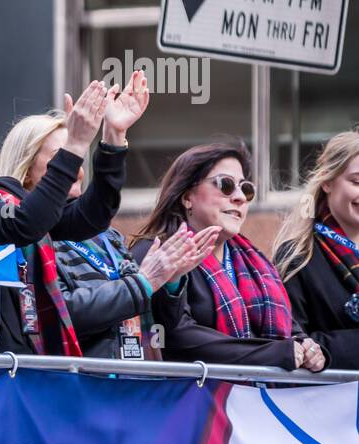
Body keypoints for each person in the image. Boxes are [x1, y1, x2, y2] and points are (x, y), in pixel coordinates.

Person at [0, 72, 148, 353]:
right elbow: (27, 223)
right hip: (3, 361)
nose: (75, 169)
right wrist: (75, 143)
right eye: (62, 159)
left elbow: (91, 217)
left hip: (47, 366)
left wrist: (113, 138)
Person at [0, 109, 218, 359]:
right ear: (25, 170)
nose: (75, 169)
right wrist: (143, 282)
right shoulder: (22, 237)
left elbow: (161, 325)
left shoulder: (107, 236)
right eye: (63, 157)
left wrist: (170, 282)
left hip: (137, 383)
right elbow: (55, 314)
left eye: (78, 158)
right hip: (82, 387)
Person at [131, 143, 326, 371]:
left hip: (252, 400)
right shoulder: (155, 252)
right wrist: (271, 354)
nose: (240, 197)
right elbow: (175, 338)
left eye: (246, 189)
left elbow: (291, 332)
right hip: (190, 400)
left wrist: (308, 349)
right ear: (187, 197)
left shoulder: (253, 261)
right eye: (225, 185)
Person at [273, 130, 359, 368]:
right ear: (328, 182)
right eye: (357, 182)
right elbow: (291, 342)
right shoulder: (297, 256)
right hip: (327, 399)